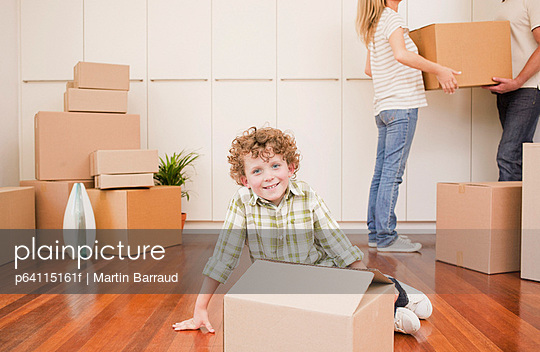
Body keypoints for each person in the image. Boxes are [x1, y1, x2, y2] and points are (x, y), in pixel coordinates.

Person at [172, 126, 432, 335]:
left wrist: (363, 279)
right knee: (317, 314)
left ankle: (394, 296)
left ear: (291, 168)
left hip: (319, 273)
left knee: (347, 284)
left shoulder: (306, 194)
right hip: (277, 286)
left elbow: (336, 242)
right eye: (257, 171)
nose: (269, 177)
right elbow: (223, 258)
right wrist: (200, 308)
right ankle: (390, 315)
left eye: (276, 166)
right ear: (245, 180)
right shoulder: (241, 203)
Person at [356, 0, 460, 251]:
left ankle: (375, 232)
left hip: (383, 108)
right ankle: (387, 237)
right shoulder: (392, 18)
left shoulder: (373, 23)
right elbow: (401, 55)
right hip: (401, 107)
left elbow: (370, 69)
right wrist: (440, 70)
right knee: (392, 174)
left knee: (382, 172)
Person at [484, 0, 540, 181]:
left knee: (508, 156)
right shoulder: (505, 4)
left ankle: (506, 210)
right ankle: (528, 208)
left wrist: (518, 81)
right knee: (520, 158)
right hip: (507, 90)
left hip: (527, 89)